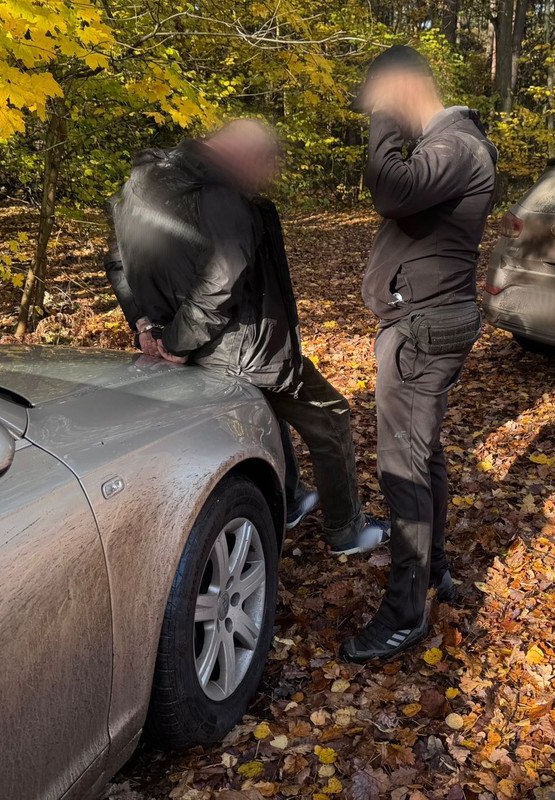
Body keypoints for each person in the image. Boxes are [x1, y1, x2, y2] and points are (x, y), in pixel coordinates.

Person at [104, 119, 388, 555]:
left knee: (264, 418)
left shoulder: (138, 187)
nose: (266, 174)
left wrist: (145, 327)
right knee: (329, 414)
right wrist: (178, 341)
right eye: (264, 161)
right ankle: (346, 530)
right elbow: (223, 279)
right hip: (242, 350)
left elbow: (119, 265)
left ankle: (291, 500)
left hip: (188, 348)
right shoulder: (220, 195)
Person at [340, 48, 498, 662]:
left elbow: (391, 188)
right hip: (428, 323)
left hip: (422, 329)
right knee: (422, 455)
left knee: (401, 470)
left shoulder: (456, 144)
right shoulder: (453, 145)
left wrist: (384, 117)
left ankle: (405, 615)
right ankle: (434, 571)